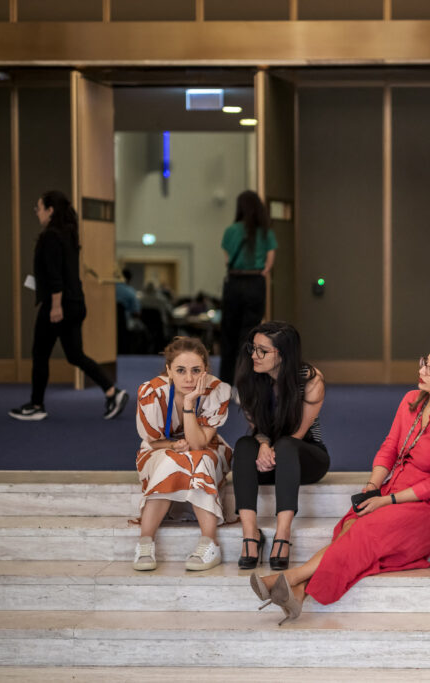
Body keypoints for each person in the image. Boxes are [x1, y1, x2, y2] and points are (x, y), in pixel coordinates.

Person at [250, 342, 430, 625]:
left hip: (428, 505)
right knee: (351, 525)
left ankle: (290, 578)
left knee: (363, 531)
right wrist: (373, 486)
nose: (422, 370)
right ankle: (299, 592)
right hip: (393, 489)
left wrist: (386, 501)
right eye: (424, 361)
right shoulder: (412, 400)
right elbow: (390, 447)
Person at [9, 190, 129, 422]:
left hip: (59, 306)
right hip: (75, 303)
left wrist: (54, 306)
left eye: (38, 208)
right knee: (75, 355)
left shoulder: (51, 237)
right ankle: (112, 392)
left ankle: (36, 405)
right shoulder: (68, 235)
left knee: (40, 353)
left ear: (50, 210)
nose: (36, 213)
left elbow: (55, 277)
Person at [232, 321, 330, 571]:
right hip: (271, 459)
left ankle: (283, 534)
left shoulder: (310, 379)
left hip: (305, 457)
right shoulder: (249, 378)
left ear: (283, 353)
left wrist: (271, 448)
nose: (254, 355)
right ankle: (250, 534)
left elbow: (298, 433)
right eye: (253, 348)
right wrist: (263, 445)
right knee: (244, 445)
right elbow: (257, 429)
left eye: (262, 351)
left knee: (286, 445)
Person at [134, 337, 233, 572]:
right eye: (180, 370)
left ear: (205, 370)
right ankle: (145, 541)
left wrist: (189, 404)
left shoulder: (218, 390)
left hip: (206, 448)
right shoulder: (151, 392)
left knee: (199, 459)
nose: (189, 378)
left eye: (196, 370)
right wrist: (173, 446)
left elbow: (199, 444)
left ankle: (210, 542)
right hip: (161, 449)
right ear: (169, 370)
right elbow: (153, 440)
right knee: (172, 460)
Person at [220, 191, 276, 386]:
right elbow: (269, 263)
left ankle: (225, 385)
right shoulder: (267, 232)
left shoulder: (231, 230)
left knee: (228, 335)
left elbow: (227, 260)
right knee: (250, 335)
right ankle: (246, 385)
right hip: (255, 283)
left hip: (234, 282)